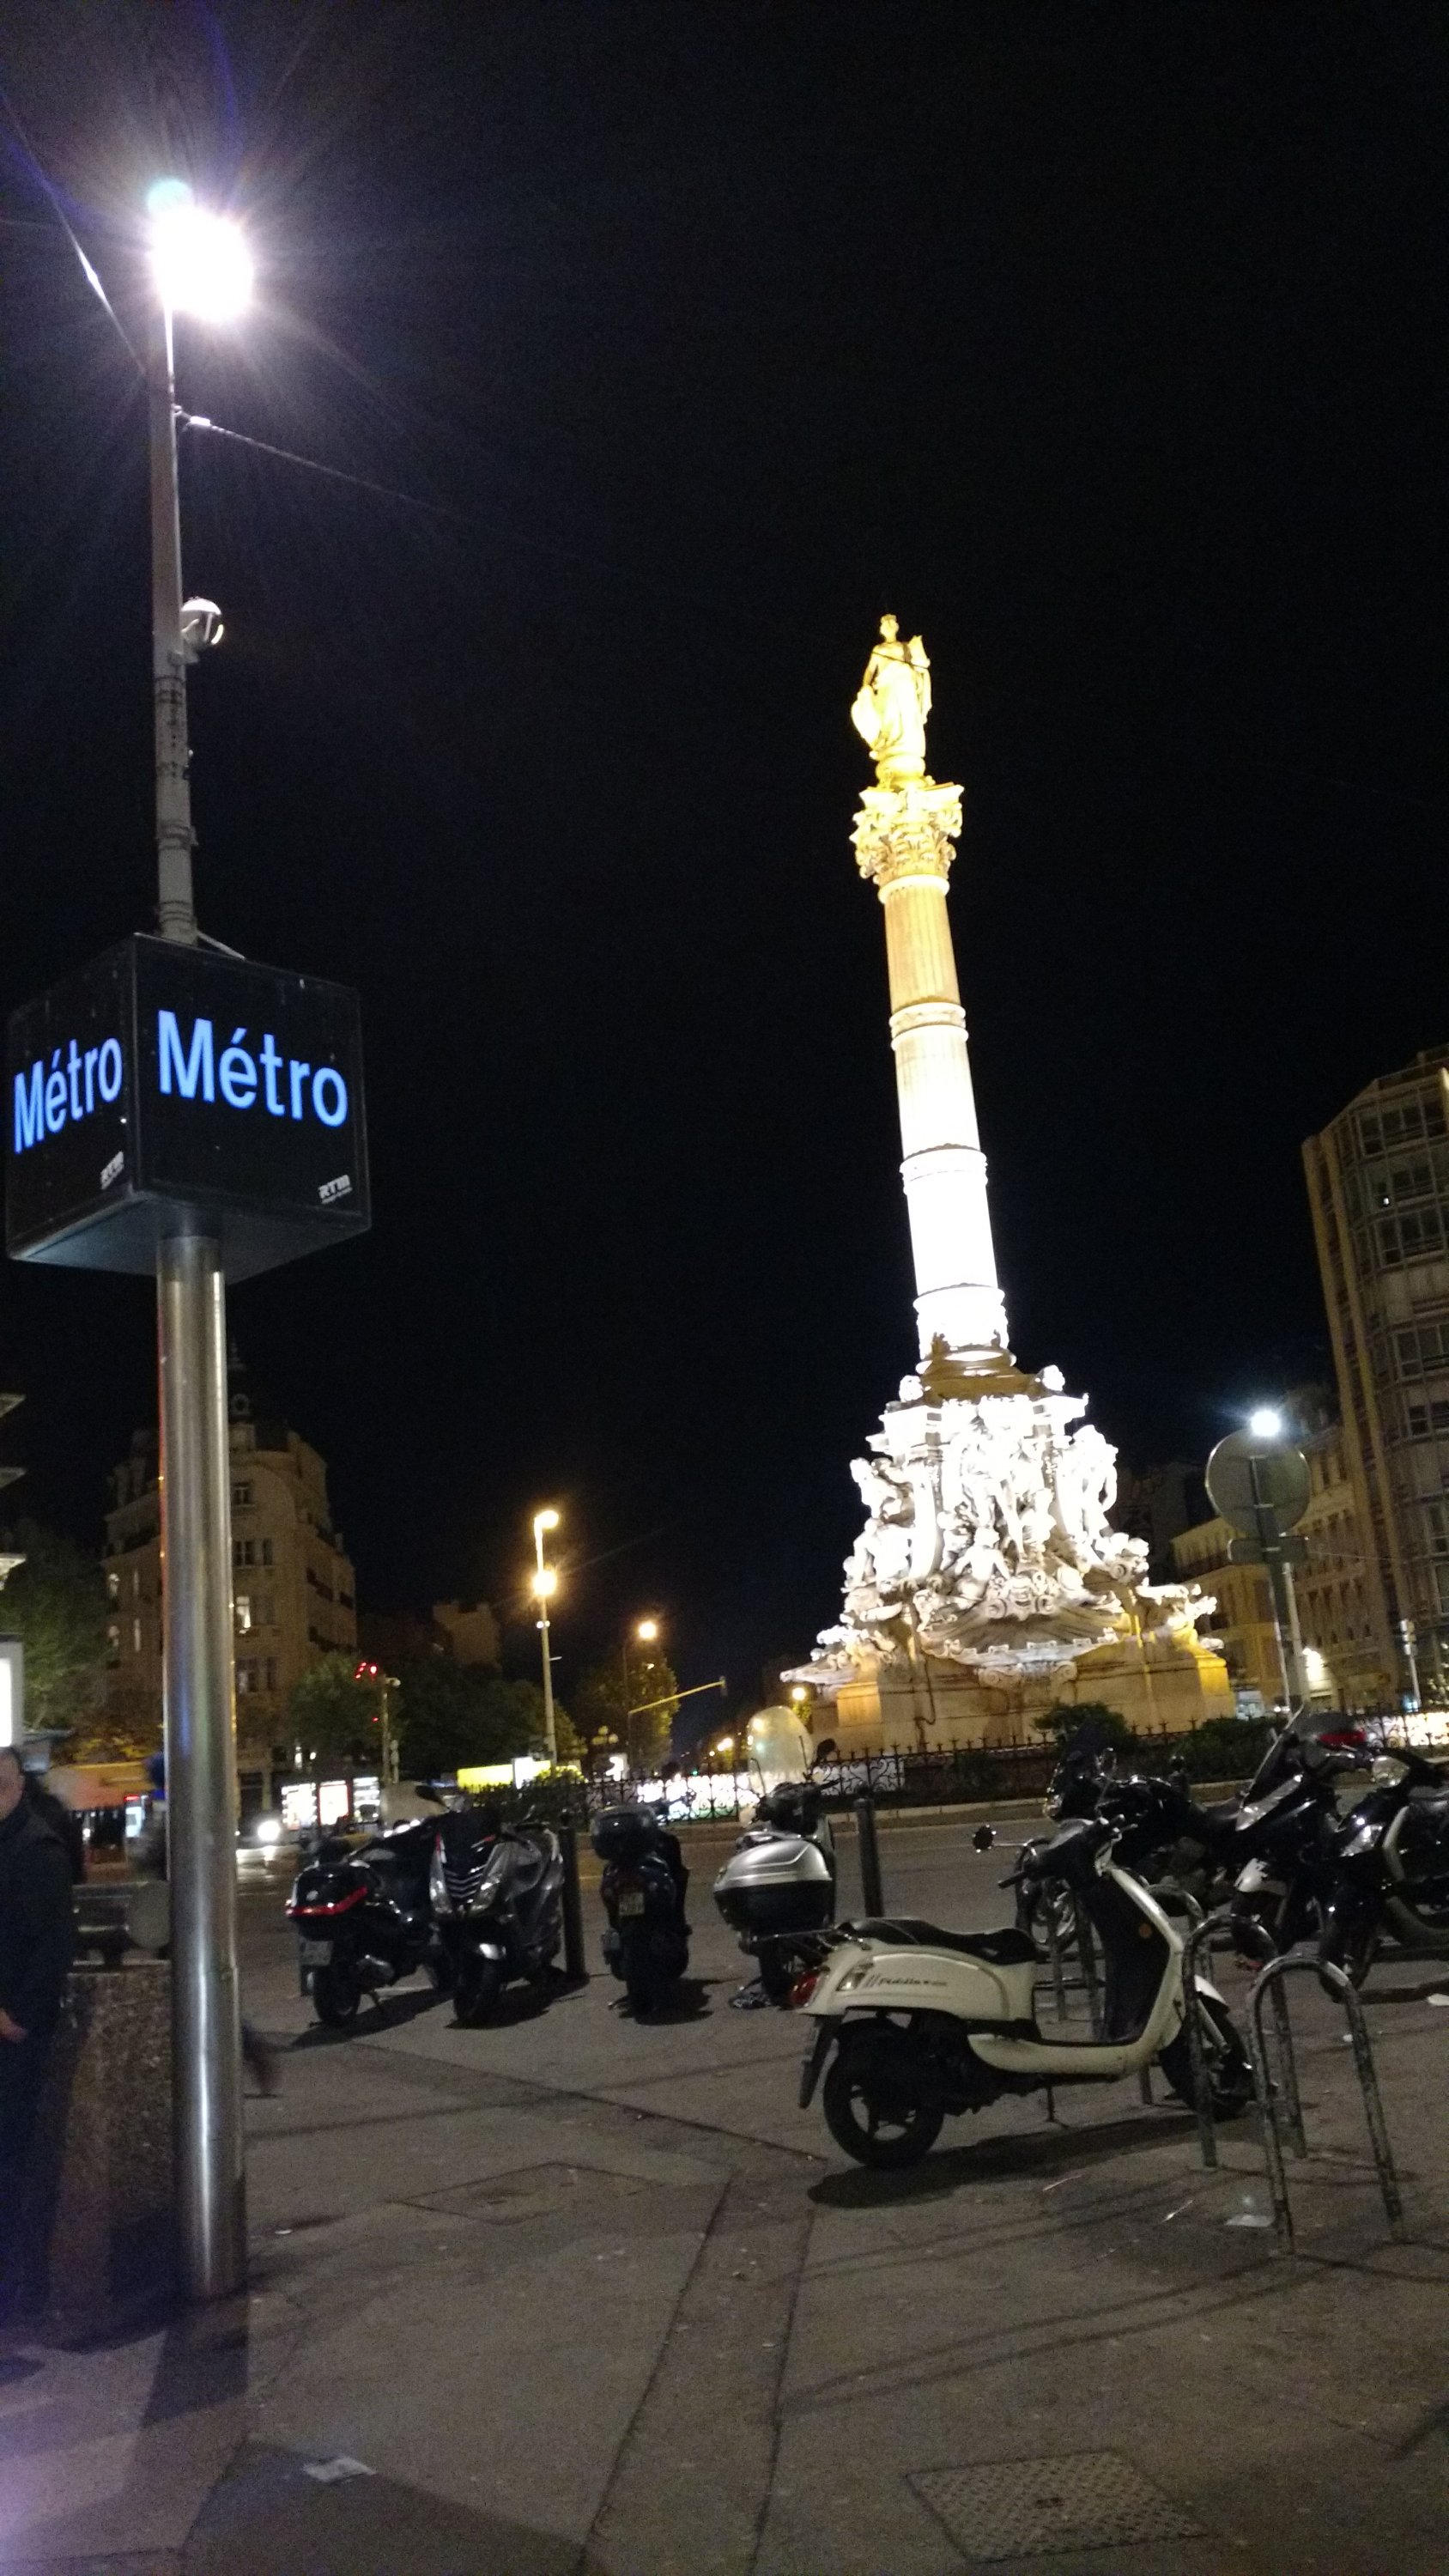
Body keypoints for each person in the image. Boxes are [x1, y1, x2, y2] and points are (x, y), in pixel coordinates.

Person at [0, 1745, 76, 2312]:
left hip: (11, 2034)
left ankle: (14, 2289)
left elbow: (52, 1944)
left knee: (11, 2161)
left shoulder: (35, 1848)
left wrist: (19, 2019)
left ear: (18, 1786)